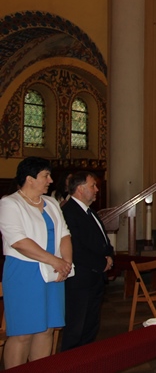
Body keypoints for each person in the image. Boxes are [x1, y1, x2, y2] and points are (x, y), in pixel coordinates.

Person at [0, 157, 73, 368]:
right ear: (30, 179)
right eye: (45, 176)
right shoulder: (10, 203)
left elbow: (64, 234)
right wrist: (55, 261)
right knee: (23, 333)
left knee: (46, 329)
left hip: (54, 272)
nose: (50, 180)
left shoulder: (51, 203)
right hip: (24, 272)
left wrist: (66, 263)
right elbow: (18, 241)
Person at [60, 171, 114, 351]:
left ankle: (86, 362)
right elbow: (75, 247)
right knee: (76, 328)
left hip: (94, 278)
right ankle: (71, 363)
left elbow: (102, 240)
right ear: (80, 189)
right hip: (80, 280)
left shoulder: (90, 212)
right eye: (93, 186)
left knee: (90, 327)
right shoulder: (69, 212)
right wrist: (101, 263)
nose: (97, 189)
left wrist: (109, 255)